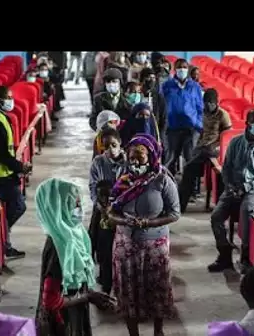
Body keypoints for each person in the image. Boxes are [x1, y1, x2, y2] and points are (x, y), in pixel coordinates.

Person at [108, 134, 180, 336]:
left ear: (151, 156)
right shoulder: (123, 179)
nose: (135, 162)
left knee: (157, 286)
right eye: (132, 157)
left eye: (140, 157)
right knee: (128, 288)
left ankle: (158, 330)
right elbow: (111, 211)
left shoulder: (162, 179)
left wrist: (149, 223)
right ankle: (134, 332)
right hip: (126, 241)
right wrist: (125, 221)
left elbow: (174, 213)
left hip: (154, 244)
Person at [35, 177, 115, 336]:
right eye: (75, 204)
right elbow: (51, 301)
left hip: (74, 317)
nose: (80, 209)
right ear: (58, 208)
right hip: (62, 324)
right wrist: (88, 296)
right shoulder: (59, 247)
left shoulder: (73, 237)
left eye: (80, 203)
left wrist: (88, 293)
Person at [207, 109, 254, 274]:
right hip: (234, 187)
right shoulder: (236, 142)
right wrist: (230, 186)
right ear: (247, 124)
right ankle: (224, 255)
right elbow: (227, 167)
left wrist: (246, 188)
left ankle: (246, 255)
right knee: (216, 217)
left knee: (246, 211)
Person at [0, 86, 33, 259]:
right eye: (7, 97)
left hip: (1, 173)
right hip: (0, 175)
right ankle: (2, 241)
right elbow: (2, 154)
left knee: (10, 209)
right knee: (18, 206)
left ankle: (4, 243)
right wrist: (20, 167)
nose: (11, 100)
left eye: (11, 97)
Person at [178, 89, 232, 212]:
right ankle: (181, 205)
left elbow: (226, 136)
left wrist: (215, 146)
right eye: (206, 102)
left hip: (216, 150)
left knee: (215, 170)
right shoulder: (201, 113)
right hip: (202, 148)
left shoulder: (223, 115)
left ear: (216, 102)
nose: (209, 105)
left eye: (211, 103)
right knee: (188, 169)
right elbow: (200, 132)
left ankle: (220, 208)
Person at [88, 128, 127, 293]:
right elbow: (93, 187)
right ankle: (106, 283)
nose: (111, 150)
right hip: (103, 212)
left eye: (114, 145)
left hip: (124, 211)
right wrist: (104, 208)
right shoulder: (98, 163)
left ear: (120, 144)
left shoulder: (129, 162)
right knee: (103, 248)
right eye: (106, 147)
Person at [161, 58, 204, 175]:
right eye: (179, 67)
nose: (182, 70)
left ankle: (192, 188)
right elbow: (161, 105)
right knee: (171, 158)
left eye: (184, 67)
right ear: (174, 69)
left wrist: (199, 125)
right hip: (173, 127)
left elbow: (200, 108)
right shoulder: (167, 86)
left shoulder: (195, 86)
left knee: (190, 158)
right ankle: (169, 185)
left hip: (191, 128)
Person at [139, 68, 167, 151]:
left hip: (155, 133)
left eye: (153, 78)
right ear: (142, 80)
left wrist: (161, 136)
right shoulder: (136, 95)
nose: (151, 80)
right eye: (148, 78)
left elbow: (164, 118)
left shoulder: (158, 97)